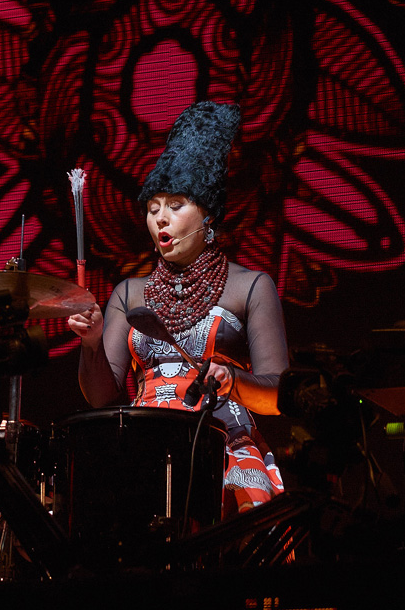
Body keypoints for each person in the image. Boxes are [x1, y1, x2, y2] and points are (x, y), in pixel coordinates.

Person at [67, 101, 287, 518]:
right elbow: (102, 395)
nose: (161, 220)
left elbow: (278, 395)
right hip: (144, 453)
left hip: (225, 447)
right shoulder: (129, 294)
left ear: (208, 216)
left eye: (176, 205)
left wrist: (233, 379)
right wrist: (92, 343)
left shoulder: (250, 286)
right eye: (153, 210)